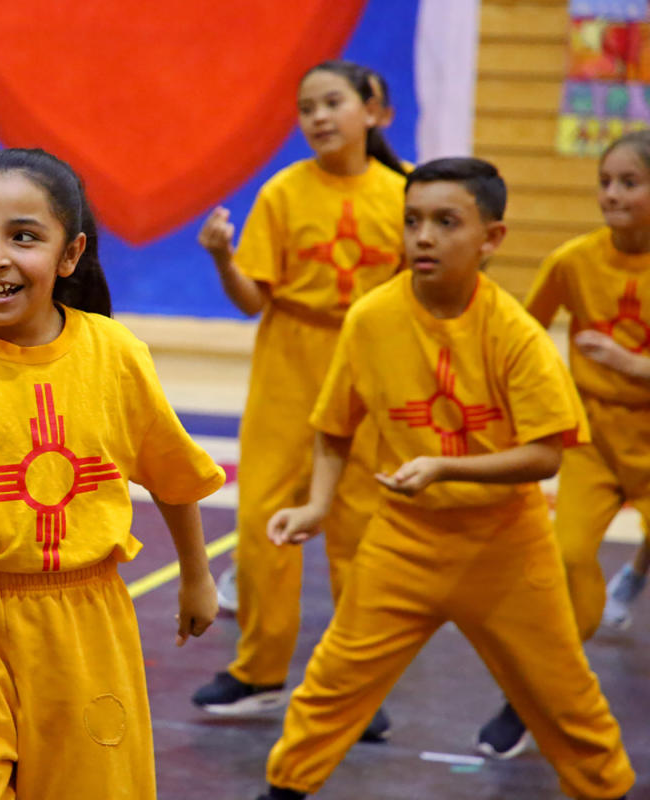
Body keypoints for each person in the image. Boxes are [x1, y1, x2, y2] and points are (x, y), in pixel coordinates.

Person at [255, 157, 635, 800]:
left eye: (445, 222)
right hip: (403, 541)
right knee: (330, 687)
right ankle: (282, 790)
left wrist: (444, 467)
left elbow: (546, 454)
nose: (423, 236)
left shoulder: (514, 331)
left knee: (564, 696)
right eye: (412, 221)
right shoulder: (371, 318)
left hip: (506, 545)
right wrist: (318, 505)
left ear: (491, 239)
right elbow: (335, 426)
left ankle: (606, 790)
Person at [0, 146, 223, 800]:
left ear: (69, 255)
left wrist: (197, 579)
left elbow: (171, 476)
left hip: (84, 624)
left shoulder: (115, 357)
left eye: (23, 237)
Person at [191, 60, 406, 741]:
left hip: (369, 371)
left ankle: (356, 687)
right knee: (263, 524)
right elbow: (255, 297)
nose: (317, 116)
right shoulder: (283, 192)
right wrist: (226, 260)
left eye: (332, 102)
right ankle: (259, 671)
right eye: (306, 106)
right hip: (289, 367)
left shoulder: (406, 194)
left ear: (372, 110)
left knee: (359, 536)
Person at [476, 129, 650, 754]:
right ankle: (536, 696)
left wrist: (633, 366)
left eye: (629, 183)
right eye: (605, 182)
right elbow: (521, 331)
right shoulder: (574, 259)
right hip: (595, 442)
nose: (611, 194)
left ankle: (636, 573)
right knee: (568, 562)